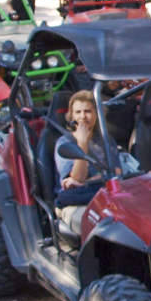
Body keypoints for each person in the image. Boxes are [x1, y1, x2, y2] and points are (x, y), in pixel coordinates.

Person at [55, 91, 109, 230]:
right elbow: (77, 179)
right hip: (76, 202)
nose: (83, 117)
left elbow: (117, 172)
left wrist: (90, 181)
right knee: (102, 226)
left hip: (104, 196)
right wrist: (82, 143)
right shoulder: (64, 142)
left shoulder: (104, 140)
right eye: (78, 112)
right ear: (71, 116)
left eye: (88, 111)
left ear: (97, 114)